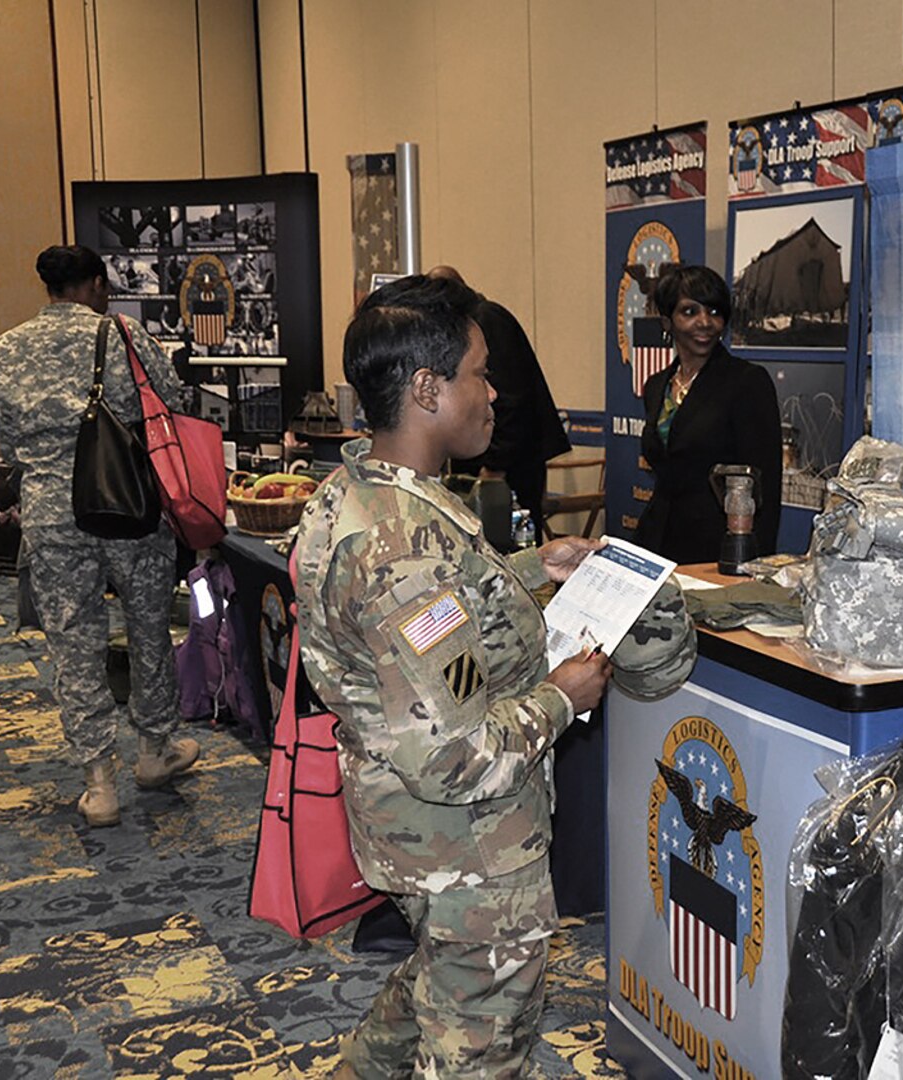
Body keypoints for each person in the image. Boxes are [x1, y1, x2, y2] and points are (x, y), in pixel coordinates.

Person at [294, 274, 695, 1078]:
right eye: (480, 372)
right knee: (479, 1038)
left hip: (413, 835)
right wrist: (563, 697)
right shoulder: (403, 549)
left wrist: (524, 568)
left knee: (433, 987)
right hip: (468, 850)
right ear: (426, 388)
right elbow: (455, 753)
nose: (494, 391)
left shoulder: (361, 494)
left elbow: (424, 624)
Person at [0, 245, 201, 827]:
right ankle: (156, 751)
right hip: (128, 506)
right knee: (150, 628)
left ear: (47, 288)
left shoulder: (6, 349)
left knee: (73, 645)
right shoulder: (124, 336)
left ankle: (99, 782)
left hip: (53, 517)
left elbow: (3, 434)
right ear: (96, 286)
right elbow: (173, 405)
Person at [634, 263, 782, 565]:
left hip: (718, 550)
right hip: (657, 542)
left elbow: (764, 483)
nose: (705, 322)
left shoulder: (747, 381)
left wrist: (754, 561)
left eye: (714, 312)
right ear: (667, 322)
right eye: (689, 312)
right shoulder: (656, 386)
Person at [425, 265, 572, 517]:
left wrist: (495, 467)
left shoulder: (487, 320)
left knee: (510, 541)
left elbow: (512, 399)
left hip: (508, 465)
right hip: (487, 459)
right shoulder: (472, 324)